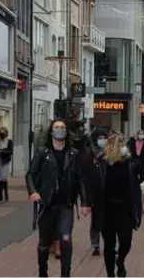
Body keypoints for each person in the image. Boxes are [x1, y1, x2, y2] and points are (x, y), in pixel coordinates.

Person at [26, 118, 90, 277]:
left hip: (66, 205)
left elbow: (81, 178)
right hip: (47, 204)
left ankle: (65, 274)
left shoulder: (73, 154)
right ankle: (43, 273)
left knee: (66, 239)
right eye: (56, 127)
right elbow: (30, 175)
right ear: (51, 131)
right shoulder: (43, 152)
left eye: (62, 127)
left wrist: (84, 202)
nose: (59, 130)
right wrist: (33, 191)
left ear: (66, 131)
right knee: (43, 244)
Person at [96, 133, 142, 277]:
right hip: (107, 209)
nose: (123, 146)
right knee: (109, 246)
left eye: (124, 143)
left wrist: (137, 211)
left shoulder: (130, 163)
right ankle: (111, 274)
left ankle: (120, 261)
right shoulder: (101, 164)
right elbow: (94, 185)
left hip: (125, 208)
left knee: (126, 242)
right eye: (120, 143)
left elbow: (136, 189)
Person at [86, 127, 108, 256]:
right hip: (96, 192)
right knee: (96, 219)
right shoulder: (90, 154)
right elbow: (85, 174)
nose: (102, 141)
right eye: (100, 138)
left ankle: (109, 243)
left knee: (109, 220)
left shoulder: (112, 153)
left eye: (104, 138)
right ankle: (95, 245)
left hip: (109, 191)